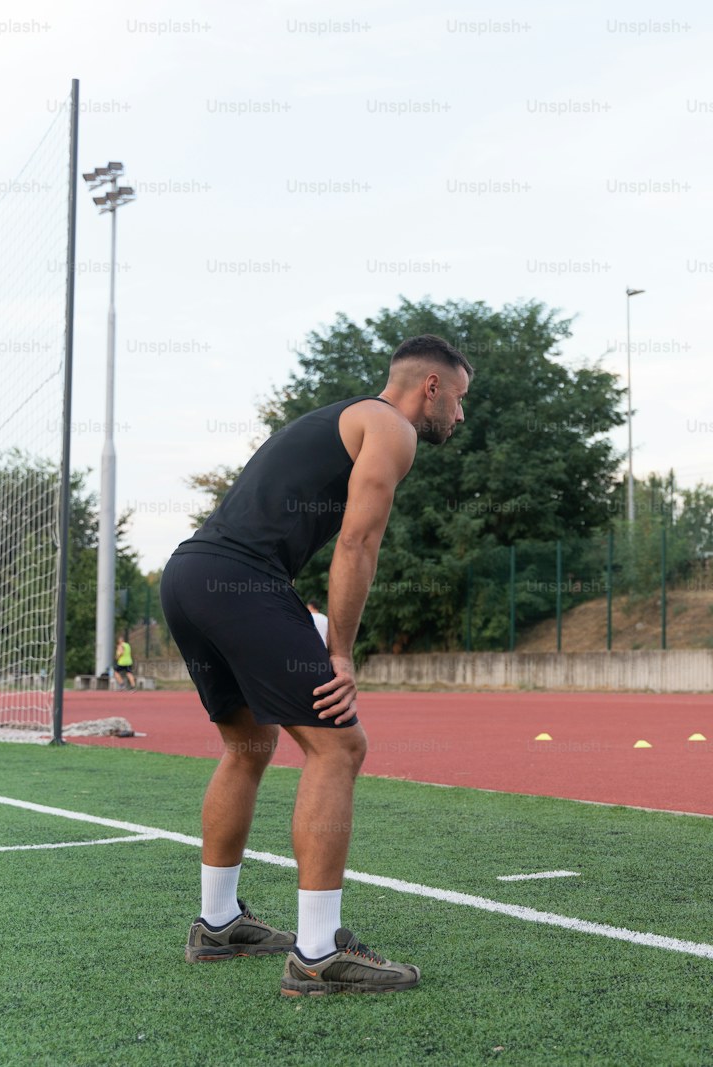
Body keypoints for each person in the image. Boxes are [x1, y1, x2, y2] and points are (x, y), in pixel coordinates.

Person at [161, 334, 471, 995]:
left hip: (189, 572)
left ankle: (217, 923)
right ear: (432, 388)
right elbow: (359, 541)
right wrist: (339, 650)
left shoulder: (340, 417)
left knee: (250, 743)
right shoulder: (391, 427)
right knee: (339, 744)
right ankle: (318, 952)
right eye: (461, 400)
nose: (461, 418)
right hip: (238, 576)